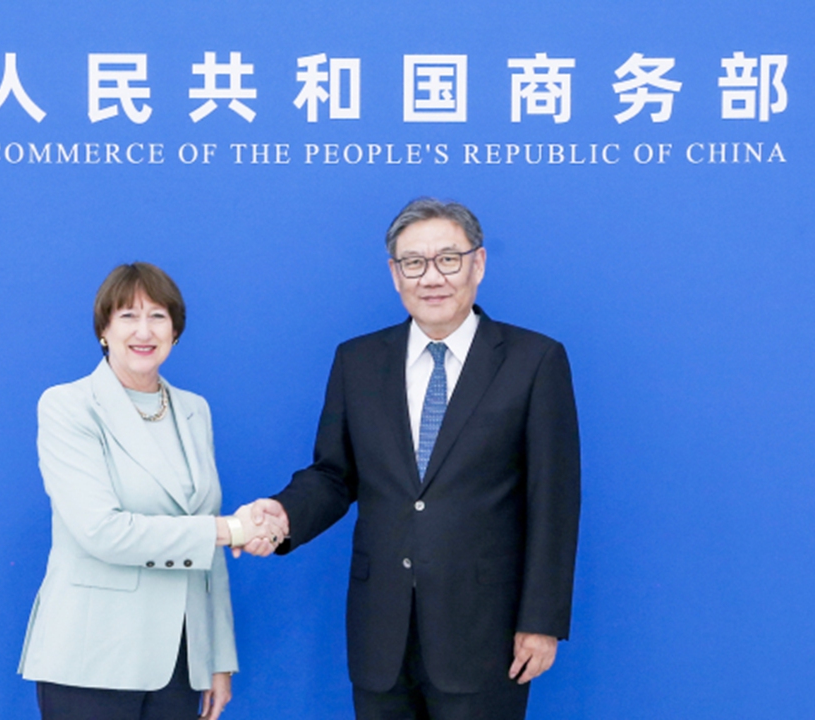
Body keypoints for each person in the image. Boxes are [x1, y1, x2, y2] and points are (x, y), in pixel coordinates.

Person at [242, 198, 581, 720]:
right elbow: (334, 474)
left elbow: (553, 501)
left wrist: (542, 619)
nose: (432, 277)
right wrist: (283, 515)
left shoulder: (534, 361)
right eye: (413, 263)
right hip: (382, 629)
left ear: (479, 263)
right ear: (395, 274)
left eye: (448, 259)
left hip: (485, 630)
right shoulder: (357, 361)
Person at [18, 262, 284, 720]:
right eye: (128, 316)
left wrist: (217, 661)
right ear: (103, 329)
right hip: (92, 659)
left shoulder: (194, 411)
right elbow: (102, 531)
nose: (144, 330)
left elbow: (208, 547)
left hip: (178, 664)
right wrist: (232, 529)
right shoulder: (68, 406)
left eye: (158, 316)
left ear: (175, 331)